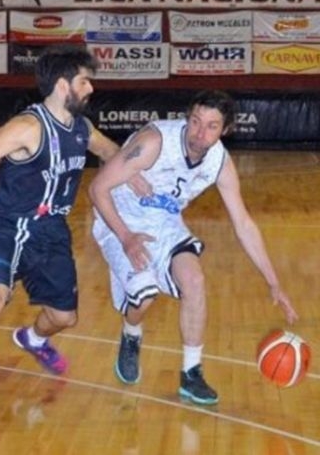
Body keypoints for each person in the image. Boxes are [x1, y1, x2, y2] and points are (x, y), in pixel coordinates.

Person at [0, 46, 123, 431]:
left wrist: (144, 168)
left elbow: (111, 151)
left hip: (51, 230)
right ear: (62, 86)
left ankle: (33, 338)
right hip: (8, 226)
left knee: (64, 317)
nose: (90, 88)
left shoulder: (81, 128)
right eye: (84, 82)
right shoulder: (27, 127)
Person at [88, 90, 297, 405]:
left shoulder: (218, 162)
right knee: (144, 296)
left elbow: (243, 223)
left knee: (195, 280)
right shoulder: (154, 142)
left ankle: (191, 373)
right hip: (120, 220)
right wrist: (126, 237)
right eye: (196, 121)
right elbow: (97, 188)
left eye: (212, 126)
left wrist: (273, 282)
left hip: (166, 224)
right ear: (187, 117)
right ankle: (131, 333)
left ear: (225, 130)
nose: (200, 133)